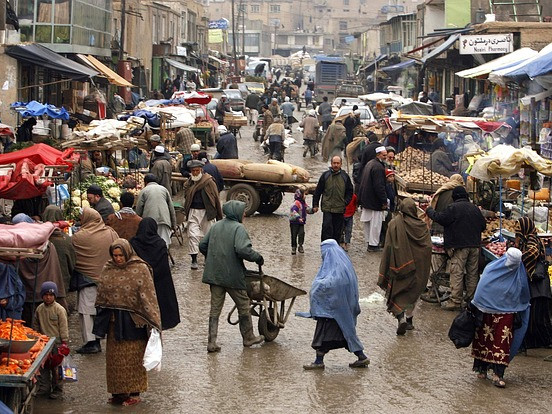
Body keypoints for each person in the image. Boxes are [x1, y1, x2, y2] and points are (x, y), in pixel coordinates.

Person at [92, 239, 161, 406]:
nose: (118, 259)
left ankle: (134, 393)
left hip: (134, 323)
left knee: (133, 360)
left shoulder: (140, 269)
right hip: (114, 322)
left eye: (120, 255)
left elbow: (148, 296)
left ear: (127, 253)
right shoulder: (108, 269)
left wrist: (153, 321)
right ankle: (118, 393)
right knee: (115, 361)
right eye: (115, 255)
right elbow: (102, 292)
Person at [200, 200, 265, 352]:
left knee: (215, 309)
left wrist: (213, 258)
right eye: (242, 211)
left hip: (214, 274)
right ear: (235, 212)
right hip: (232, 275)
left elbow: (203, 245)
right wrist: (257, 257)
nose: (244, 214)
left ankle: (212, 342)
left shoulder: (216, 226)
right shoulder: (238, 228)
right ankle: (248, 338)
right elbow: (243, 249)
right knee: (243, 304)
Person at [301, 239, 369, 369]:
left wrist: (317, 287)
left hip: (332, 311)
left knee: (322, 336)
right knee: (346, 333)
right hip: (342, 311)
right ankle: (361, 357)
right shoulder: (344, 264)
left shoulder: (335, 269)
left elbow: (330, 284)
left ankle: (318, 361)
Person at [471, 248, 530, 388]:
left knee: (502, 342)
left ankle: (498, 374)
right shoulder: (491, 270)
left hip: (507, 313)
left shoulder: (518, 274)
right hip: (487, 311)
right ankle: (482, 369)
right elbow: (481, 289)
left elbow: (524, 293)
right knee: (485, 339)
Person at [425, 186, 486, 310]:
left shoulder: (453, 208)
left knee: (456, 273)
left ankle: (455, 301)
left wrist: (429, 211)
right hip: (474, 246)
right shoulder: (475, 208)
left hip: (459, 247)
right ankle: (470, 300)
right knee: (472, 274)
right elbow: (483, 226)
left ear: (455, 197)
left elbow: (440, 218)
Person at [378, 198, 432, 335]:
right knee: (413, 295)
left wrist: (387, 264)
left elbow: (388, 245)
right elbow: (427, 248)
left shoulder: (394, 224)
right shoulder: (421, 226)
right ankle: (409, 320)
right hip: (418, 269)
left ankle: (400, 318)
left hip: (399, 266)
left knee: (399, 293)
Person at [72, 207, 118, 354]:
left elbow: (74, 257)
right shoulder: (111, 233)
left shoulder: (79, 237)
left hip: (87, 280)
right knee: (102, 310)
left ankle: (91, 342)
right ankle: (100, 337)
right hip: (108, 279)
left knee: (86, 311)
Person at [131, 218, 180, 330]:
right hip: (159, 284)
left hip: (140, 285)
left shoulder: (133, 243)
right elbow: (164, 267)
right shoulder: (160, 243)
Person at [514, 217, 552, 349]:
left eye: (519, 227)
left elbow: (533, 252)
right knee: (533, 316)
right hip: (536, 283)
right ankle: (533, 342)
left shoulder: (531, 239)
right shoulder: (528, 238)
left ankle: (544, 341)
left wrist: (517, 257)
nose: (517, 230)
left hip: (538, 283)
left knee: (537, 316)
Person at [183, 159, 223, 270]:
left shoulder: (209, 181)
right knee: (193, 235)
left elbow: (215, 199)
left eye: (197, 170)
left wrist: (219, 214)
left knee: (208, 236)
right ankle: (194, 260)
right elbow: (186, 197)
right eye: (193, 171)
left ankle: (207, 258)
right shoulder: (189, 183)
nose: (195, 173)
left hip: (207, 213)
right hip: (193, 212)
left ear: (201, 170)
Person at [33, 281, 69, 399]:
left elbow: (63, 327)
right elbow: (36, 325)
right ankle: (44, 388)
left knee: (57, 368)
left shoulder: (59, 309)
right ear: (42, 295)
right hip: (43, 343)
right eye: (46, 295)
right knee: (43, 367)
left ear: (55, 296)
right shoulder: (39, 309)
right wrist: (36, 339)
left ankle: (58, 389)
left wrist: (64, 342)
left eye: (51, 295)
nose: (48, 297)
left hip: (57, 344)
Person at [313, 155, 353, 242]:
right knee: (326, 228)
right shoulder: (325, 175)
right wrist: (315, 204)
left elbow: (350, 191)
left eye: (337, 163)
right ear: (331, 164)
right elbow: (318, 191)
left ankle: (335, 248)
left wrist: (345, 202)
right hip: (327, 208)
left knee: (337, 231)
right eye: (334, 163)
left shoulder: (345, 177)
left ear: (341, 164)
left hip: (339, 209)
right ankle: (325, 247)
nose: (336, 165)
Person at [358, 146, 388, 252]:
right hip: (374, 201)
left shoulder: (370, 164)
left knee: (369, 223)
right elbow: (379, 186)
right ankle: (373, 245)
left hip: (367, 199)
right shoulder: (378, 167)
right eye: (383, 155)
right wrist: (384, 200)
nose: (385, 157)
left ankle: (369, 242)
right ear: (378, 155)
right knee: (375, 224)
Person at [135, 174, 176, 248]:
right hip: (164, 220)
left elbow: (139, 209)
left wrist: (137, 224)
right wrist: (174, 224)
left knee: (151, 245)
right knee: (164, 244)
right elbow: (171, 208)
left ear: (145, 182)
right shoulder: (164, 189)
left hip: (149, 222)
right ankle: (164, 258)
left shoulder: (144, 191)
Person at [289, 189, 313, 255]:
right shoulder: (296, 203)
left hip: (301, 222)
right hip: (294, 222)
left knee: (301, 233)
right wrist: (298, 218)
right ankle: (293, 248)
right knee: (294, 235)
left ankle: (300, 246)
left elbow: (307, 209)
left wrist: (313, 210)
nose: (305, 196)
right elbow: (294, 211)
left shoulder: (303, 203)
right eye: (304, 194)